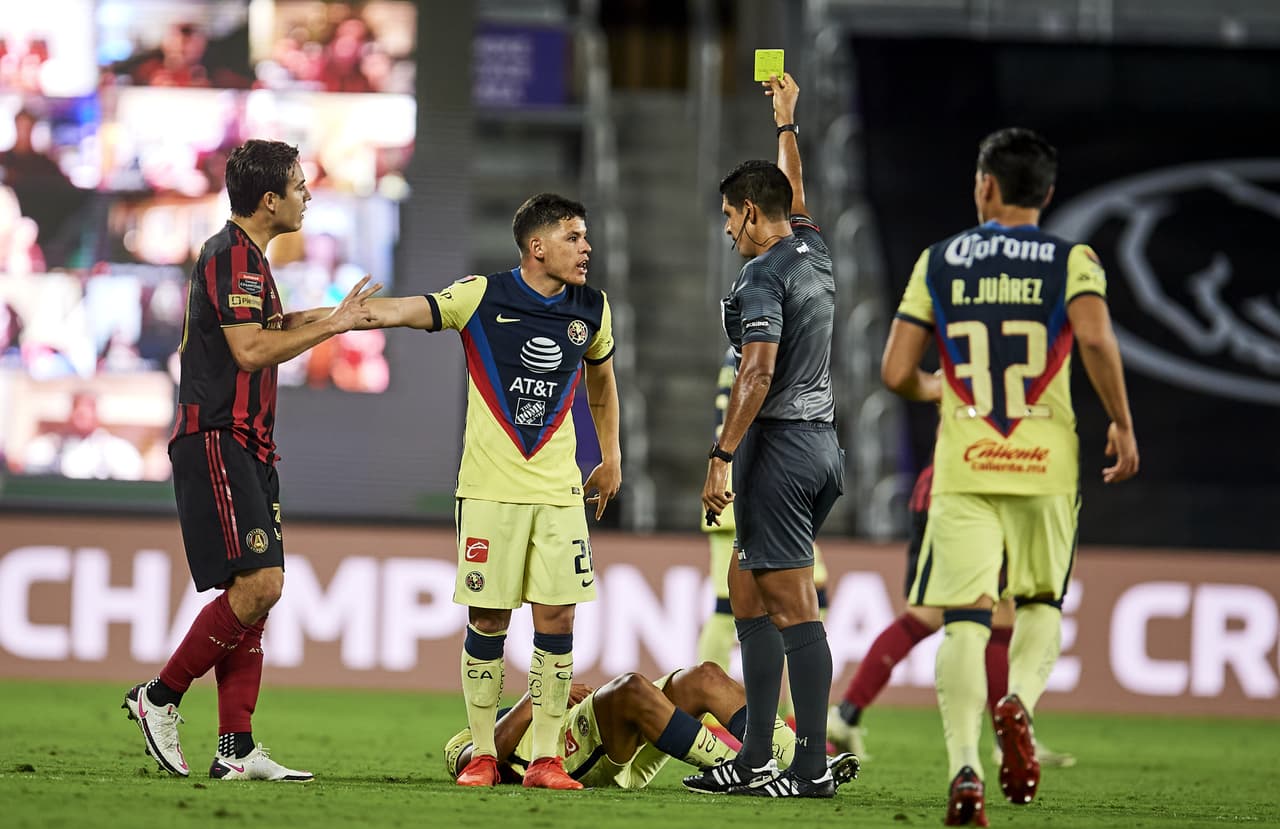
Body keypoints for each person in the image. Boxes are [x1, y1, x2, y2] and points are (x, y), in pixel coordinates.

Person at [881, 127, 1138, 826]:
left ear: (985, 185)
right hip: (1045, 462)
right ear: (1048, 194)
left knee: (963, 620)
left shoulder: (941, 259)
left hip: (966, 462)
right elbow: (1092, 337)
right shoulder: (1072, 258)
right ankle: (1018, 701)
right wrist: (1121, 420)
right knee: (1040, 605)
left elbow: (896, 371)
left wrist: (941, 390)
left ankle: (965, 767)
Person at [121, 139, 382, 782]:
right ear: (269, 200)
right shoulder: (233, 254)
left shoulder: (248, 259)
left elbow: (278, 321)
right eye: (299, 185)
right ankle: (159, 697)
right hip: (219, 435)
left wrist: (347, 318)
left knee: (256, 594)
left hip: (249, 441)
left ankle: (235, 751)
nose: (307, 195)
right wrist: (332, 327)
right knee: (262, 585)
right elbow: (249, 351)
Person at [356, 193, 622, 791]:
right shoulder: (481, 295)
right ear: (538, 247)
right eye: (574, 237)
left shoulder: (594, 309)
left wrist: (609, 458)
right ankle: (482, 754)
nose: (586, 248)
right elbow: (403, 311)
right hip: (489, 490)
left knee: (557, 618)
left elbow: (602, 385)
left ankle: (547, 759)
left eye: (586, 238)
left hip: (558, 493)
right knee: (489, 617)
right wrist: (339, 317)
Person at [691, 73, 844, 799]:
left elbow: (755, 374)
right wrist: (787, 123)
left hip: (778, 449)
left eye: (730, 214)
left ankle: (809, 766)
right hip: (822, 446)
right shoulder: (811, 249)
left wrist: (721, 456)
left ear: (752, 213)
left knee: (790, 604)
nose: (727, 228)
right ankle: (754, 756)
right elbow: (797, 192)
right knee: (746, 592)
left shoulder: (760, 277)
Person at [826, 462, 1075, 768]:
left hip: (943, 488)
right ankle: (1009, 740)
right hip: (971, 492)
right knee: (992, 611)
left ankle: (846, 714)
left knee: (930, 614)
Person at [443, 662, 858, 792]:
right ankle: (751, 772)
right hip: (582, 760)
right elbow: (479, 759)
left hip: (611, 736)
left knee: (705, 677)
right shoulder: (469, 739)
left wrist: (550, 695)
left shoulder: (532, 709)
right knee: (629, 689)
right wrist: (542, 693)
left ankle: (807, 765)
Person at [696, 346, 830, 724]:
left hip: (760, 482)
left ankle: (793, 712)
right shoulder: (766, 347)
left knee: (815, 594)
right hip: (751, 481)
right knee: (728, 608)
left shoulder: (746, 346)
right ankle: (711, 712)